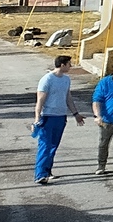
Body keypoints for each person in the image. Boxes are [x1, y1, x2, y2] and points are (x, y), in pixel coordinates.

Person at [32, 55, 85, 184]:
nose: (70, 66)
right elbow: (40, 99)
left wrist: (76, 114)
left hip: (60, 117)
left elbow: (68, 98)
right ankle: (40, 174)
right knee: (45, 145)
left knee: (53, 146)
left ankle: (47, 171)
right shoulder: (47, 79)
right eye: (69, 64)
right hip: (48, 116)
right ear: (62, 65)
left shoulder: (66, 80)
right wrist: (37, 117)